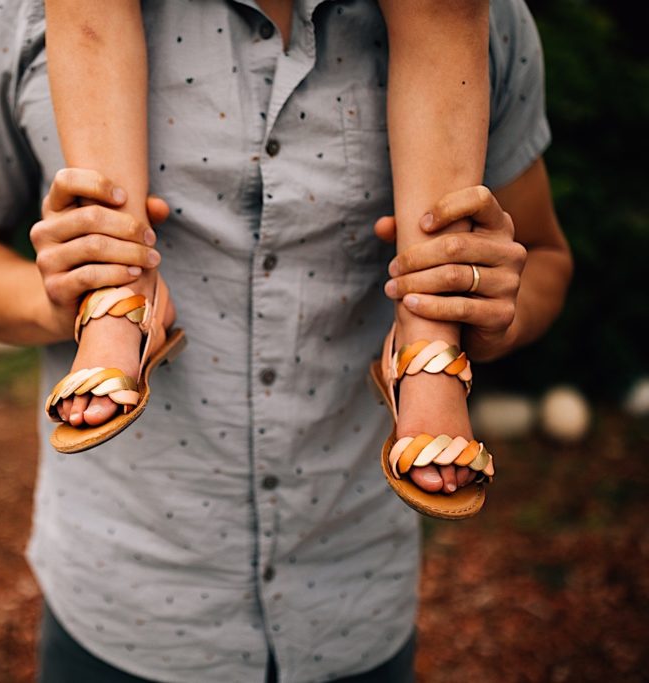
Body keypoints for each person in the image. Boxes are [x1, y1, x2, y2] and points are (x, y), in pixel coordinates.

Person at [0, 0, 572, 680]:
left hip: (354, 605)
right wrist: (56, 299)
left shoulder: (491, 22)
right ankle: (116, 300)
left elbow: (545, 255)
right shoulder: (21, 14)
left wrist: (490, 311)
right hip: (118, 608)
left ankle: (429, 350)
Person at [42, 0, 495, 514]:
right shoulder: (7, 18)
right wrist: (60, 295)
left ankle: (428, 333)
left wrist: (480, 308)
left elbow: (548, 260)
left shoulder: (508, 32)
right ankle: (118, 287)